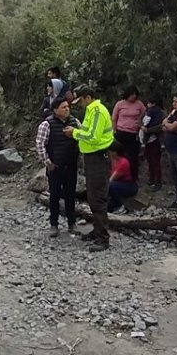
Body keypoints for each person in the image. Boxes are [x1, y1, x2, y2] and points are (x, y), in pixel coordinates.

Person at [64, 86, 114, 252]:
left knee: (97, 198)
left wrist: (74, 133)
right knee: (93, 196)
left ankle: (103, 238)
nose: (79, 104)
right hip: (92, 157)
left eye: (80, 100)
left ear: (88, 97)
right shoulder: (92, 110)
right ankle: (97, 230)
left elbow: (93, 137)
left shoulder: (97, 111)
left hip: (98, 158)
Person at [35, 96, 80, 237]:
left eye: (68, 107)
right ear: (55, 110)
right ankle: (53, 225)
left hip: (71, 165)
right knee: (54, 196)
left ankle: (72, 223)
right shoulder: (47, 124)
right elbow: (40, 144)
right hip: (55, 166)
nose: (67, 109)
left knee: (70, 196)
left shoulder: (75, 122)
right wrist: (47, 162)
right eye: (63, 107)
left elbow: (82, 137)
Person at [112, 86, 146, 183]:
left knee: (133, 156)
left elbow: (144, 114)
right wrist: (114, 130)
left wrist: (139, 123)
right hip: (121, 132)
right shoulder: (120, 104)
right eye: (132, 95)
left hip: (133, 133)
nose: (134, 97)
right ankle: (119, 175)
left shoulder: (139, 104)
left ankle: (133, 177)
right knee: (120, 155)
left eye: (135, 95)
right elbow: (114, 118)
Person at [107, 141, 139, 213]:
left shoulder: (123, 162)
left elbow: (112, 178)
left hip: (128, 185)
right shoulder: (113, 160)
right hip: (119, 184)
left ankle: (120, 206)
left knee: (110, 185)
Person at [142, 97, 166, 191]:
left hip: (154, 139)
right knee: (150, 161)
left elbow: (160, 127)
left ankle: (157, 181)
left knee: (155, 161)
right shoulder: (150, 112)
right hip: (149, 139)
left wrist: (148, 130)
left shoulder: (159, 114)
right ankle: (152, 179)